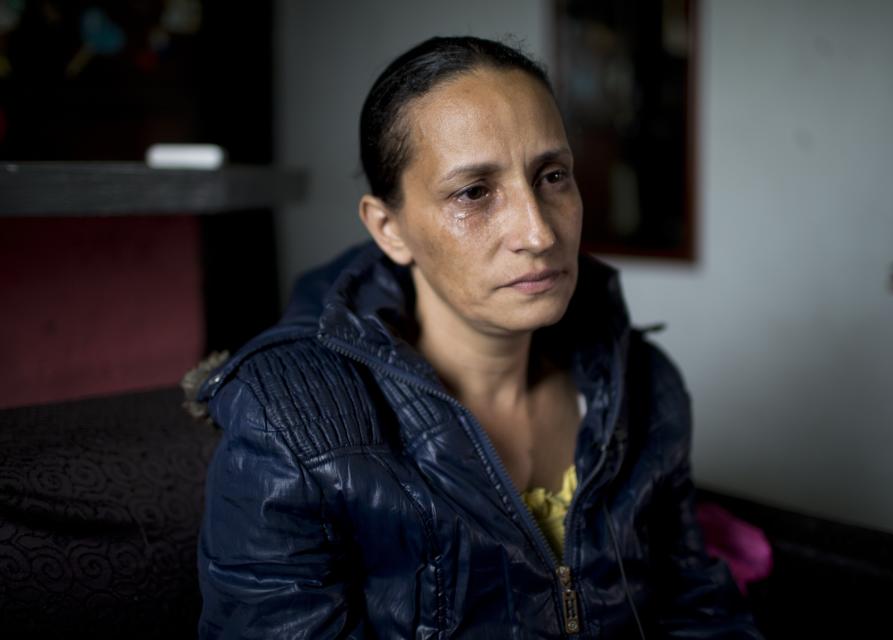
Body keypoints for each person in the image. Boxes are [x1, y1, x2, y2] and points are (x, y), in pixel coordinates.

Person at [193, 36, 763, 638]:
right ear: (389, 229)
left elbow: (697, 606)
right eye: (474, 192)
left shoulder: (642, 383)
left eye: (552, 176)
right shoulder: (291, 424)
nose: (538, 232)